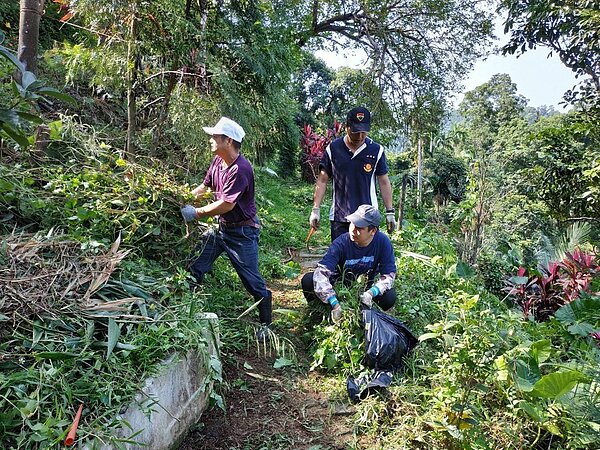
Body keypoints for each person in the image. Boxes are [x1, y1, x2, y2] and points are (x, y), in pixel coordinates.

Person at [180, 117, 272, 335]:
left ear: (228, 141)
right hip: (220, 229)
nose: (211, 140)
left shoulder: (241, 169)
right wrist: (182, 198)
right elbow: (204, 187)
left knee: (252, 281)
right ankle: (187, 311)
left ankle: (266, 324)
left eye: (215, 137)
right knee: (195, 264)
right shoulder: (217, 161)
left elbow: (227, 204)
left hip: (242, 233)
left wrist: (196, 213)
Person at [309, 106, 396, 242]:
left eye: (363, 132)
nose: (360, 136)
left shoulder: (376, 150)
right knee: (341, 260)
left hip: (368, 219)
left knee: (367, 261)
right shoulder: (333, 149)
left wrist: (390, 212)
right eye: (356, 131)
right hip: (340, 217)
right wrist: (316, 210)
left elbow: (384, 181)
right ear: (346, 127)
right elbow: (322, 180)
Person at [301, 204, 397, 323]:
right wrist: (334, 302)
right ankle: (319, 314)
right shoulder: (341, 243)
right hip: (339, 287)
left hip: (365, 288)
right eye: (352, 224)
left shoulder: (382, 242)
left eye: (359, 228)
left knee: (389, 297)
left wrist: (371, 293)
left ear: (372, 231)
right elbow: (321, 273)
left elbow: (389, 275)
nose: (353, 230)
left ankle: (369, 314)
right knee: (308, 280)